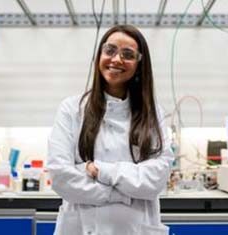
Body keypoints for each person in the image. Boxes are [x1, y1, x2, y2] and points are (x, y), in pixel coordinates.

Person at [47, 25, 174, 235]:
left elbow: (156, 180)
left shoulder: (152, 114)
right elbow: (61, 176)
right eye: (110, 50)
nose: (116, 59)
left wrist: (100, 171)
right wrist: (123, 193)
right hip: (81, 228)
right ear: (99, 56)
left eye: (127, 54)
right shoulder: (72, 109)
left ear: (139, 64)